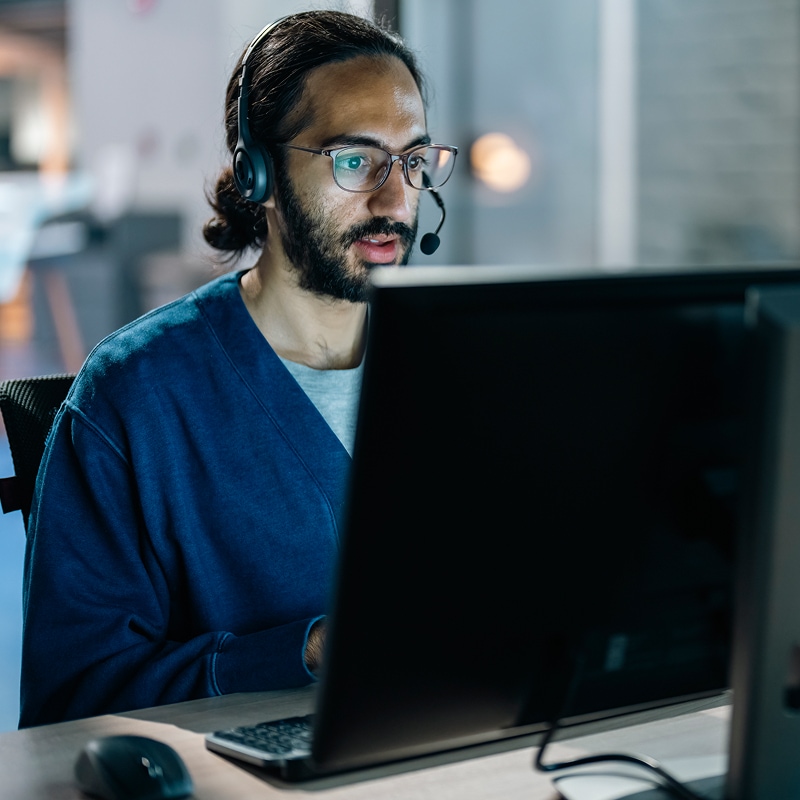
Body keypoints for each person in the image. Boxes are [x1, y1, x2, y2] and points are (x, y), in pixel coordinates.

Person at [19, 9, 457, 727]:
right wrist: (307, 649)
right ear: (260, 171)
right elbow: (72, 701)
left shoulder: (461, 365)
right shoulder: (139, 396)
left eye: (412, 161)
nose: (394, 200)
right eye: (355, 160)